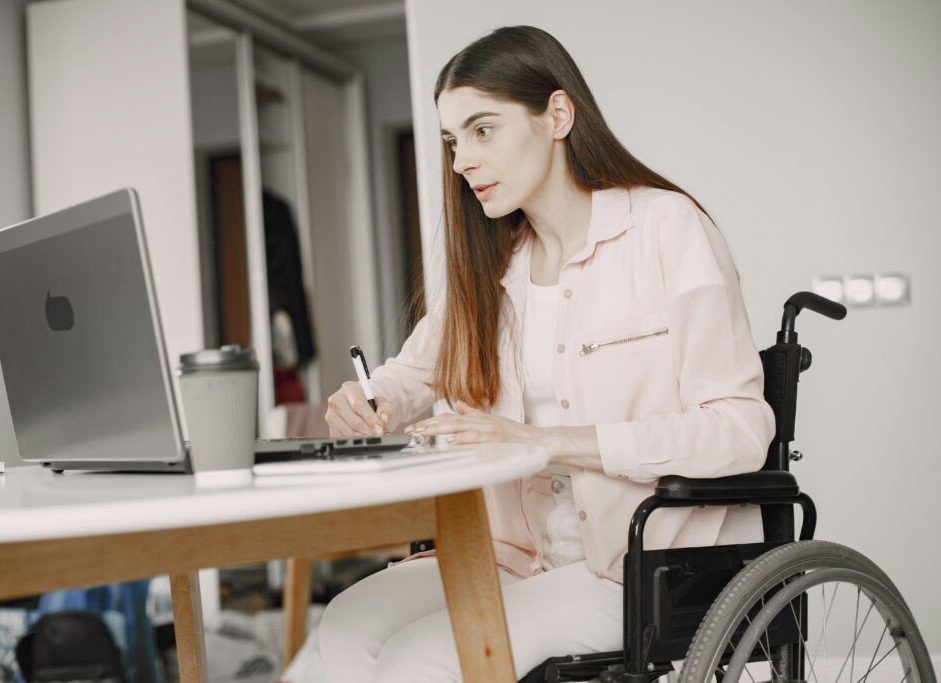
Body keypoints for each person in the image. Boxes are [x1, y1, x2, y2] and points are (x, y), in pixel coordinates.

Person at [318, 25, 775, 682]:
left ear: (558, 115)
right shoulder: (496, 266)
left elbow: (740, 428)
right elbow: (408, 375)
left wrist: (541, 440)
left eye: (482, 130)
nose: (461, 162)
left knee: (417, 659)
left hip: (638, 569)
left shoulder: (666, 229)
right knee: (347, 622)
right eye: (452, 141)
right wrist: (369, 401)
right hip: (514, 555)